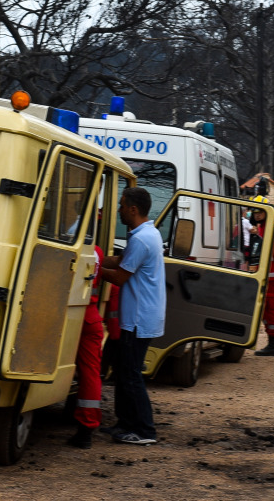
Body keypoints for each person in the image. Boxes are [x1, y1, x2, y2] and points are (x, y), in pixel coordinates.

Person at [98, 187, 166, 446]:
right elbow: (122, 260)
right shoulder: (149, 233)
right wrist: (99, 259)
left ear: (133, 209)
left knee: (131, 374)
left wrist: (94, 268)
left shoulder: (141, 239)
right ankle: (126, 423)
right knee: (125, 371)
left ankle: (145, 430)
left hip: (138, 320)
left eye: (122, 205)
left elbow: (119, 276)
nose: (119, 210)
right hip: (141, 317)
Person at [68, 243, 107, 448]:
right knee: (90, 373)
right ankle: (86, 429)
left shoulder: (68, 244)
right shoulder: (97, 251)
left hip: (68, 312)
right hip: (90, 315)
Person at [248, 197, 274, 356]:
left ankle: (273, 344)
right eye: (255, 212)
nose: (257, 215)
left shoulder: (268, 227)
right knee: (266, 309)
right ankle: (272, 342)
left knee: (269, 309)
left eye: (260, 211)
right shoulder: (265, 226)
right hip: (268, 273)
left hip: (271, 274)